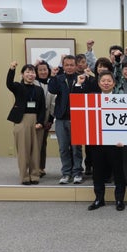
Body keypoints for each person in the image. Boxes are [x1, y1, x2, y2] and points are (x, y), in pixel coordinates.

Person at [74, 71, 127, 211]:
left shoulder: (121, 99)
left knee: (118, 172)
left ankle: (119, 199)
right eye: (103, 81)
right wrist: (79, 84)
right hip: (97, 142)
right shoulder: (92, 98)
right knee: (97, 172)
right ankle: (99, 199)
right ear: (98, 83)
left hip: (115, 143)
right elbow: (76, 101)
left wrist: (124, 139)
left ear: (114, 84)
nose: (106, 83)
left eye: (109, 81)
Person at [6, 62, 46, 185]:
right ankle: (24, 176)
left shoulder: (39, 89)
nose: (30, 74)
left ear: (35, 75)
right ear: (22, 74)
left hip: (36, 121)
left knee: (36, 150)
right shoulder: (18, 87)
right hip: (21, 120)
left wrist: (40, 122)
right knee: (23, 150)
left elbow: (42, 108)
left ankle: (34, 175)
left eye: (32, 72)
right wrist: (12, 69)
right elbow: (9, 83)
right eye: (27, 72)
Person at [48, 55, 84, 184]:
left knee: (76, 148)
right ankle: (66, 173)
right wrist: (53, 75)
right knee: (63, 147)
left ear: (76, 66)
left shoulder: (81, 78)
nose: (69, 67)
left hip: (77, 118)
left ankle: (77, 172)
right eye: (67, 65)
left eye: (71, 65)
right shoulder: (58, 78)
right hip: (61, 118)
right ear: (63, 66)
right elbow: (51, 90)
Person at [34, 60, 55, 178]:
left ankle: (41, 167)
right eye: (40, 70)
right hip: (33, 117)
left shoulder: (52, 83)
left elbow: (53, 103)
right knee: (33, 144)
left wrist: (50, 120)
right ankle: (33, 167)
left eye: (45, 69)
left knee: (42, 144)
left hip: (46, 117)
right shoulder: (33, 82)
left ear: (48, 70)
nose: (43, 72)